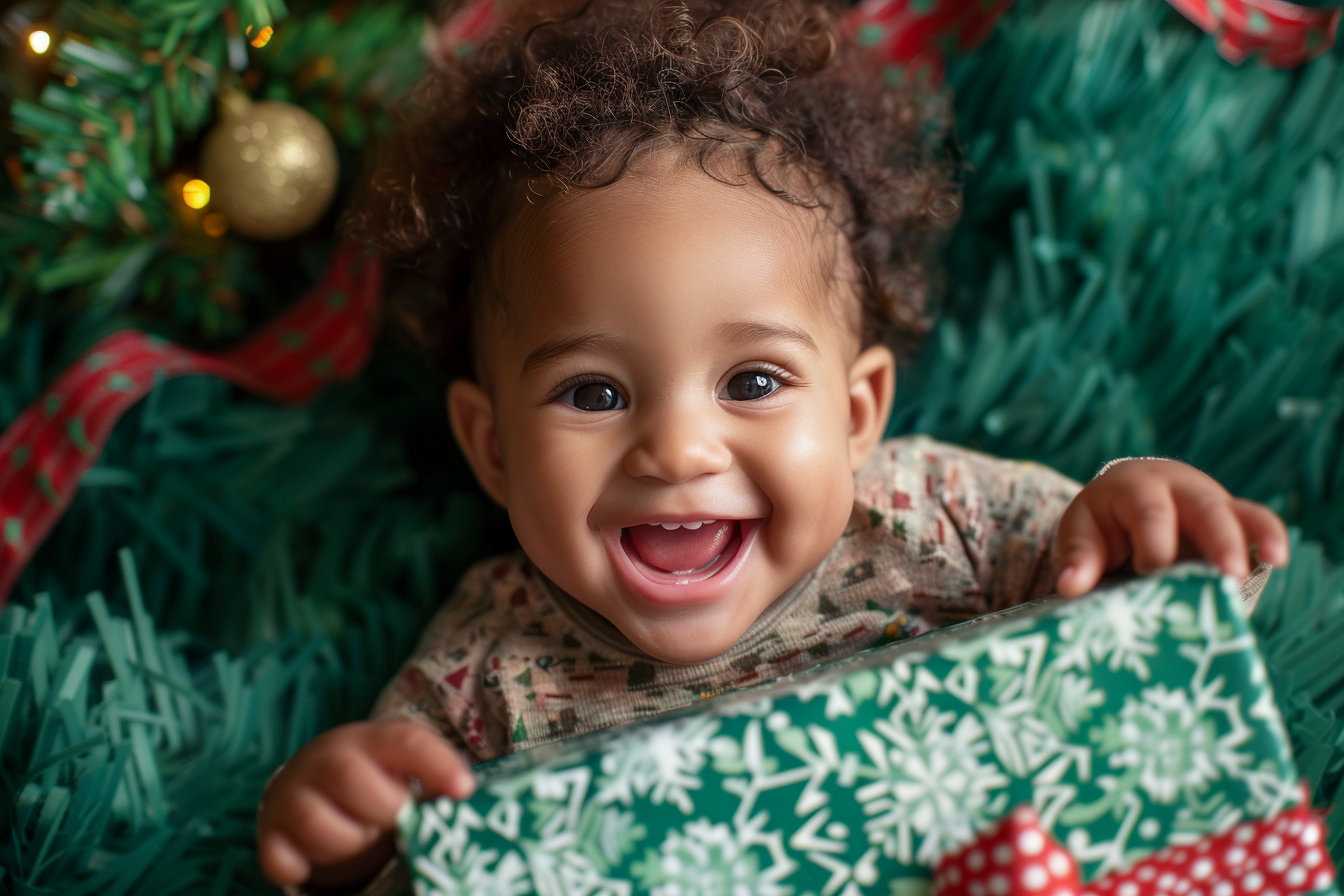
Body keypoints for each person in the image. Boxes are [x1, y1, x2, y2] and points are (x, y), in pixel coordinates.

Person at [254, 0, 1291, 890]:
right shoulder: (485, 666)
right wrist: (343, 830)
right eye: (593, 389)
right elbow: (414, 850)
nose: (676, 447)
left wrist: (1137, 510)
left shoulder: (940, 513)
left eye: (752, 380)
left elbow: (1129, 625)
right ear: (491, 447)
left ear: (853, 415)